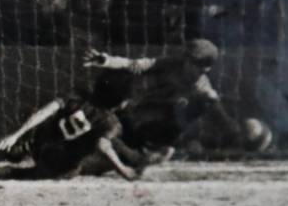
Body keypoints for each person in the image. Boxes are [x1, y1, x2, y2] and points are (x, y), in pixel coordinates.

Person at [84, 38, 270, 154]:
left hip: (152, 124)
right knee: (117, 79)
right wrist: (107, 60)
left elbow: (221, 118)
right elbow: (136, 65)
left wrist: (248, 133)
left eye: (192, 62)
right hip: (132, 107)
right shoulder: (171, 64)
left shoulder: (204, 92)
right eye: (186, 59)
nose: (185, 64)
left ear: (204, 68)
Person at [0, 69, 144, 181]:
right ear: (122, 102)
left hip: (42, 146)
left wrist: (15, 135)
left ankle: (25, 146)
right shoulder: (111, 122)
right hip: (59, 167)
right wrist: (122, 170)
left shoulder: (77, 96)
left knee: (57, 130)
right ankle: (140, 158)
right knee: (109, 147)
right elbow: (103, 145)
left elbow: (45, 111)